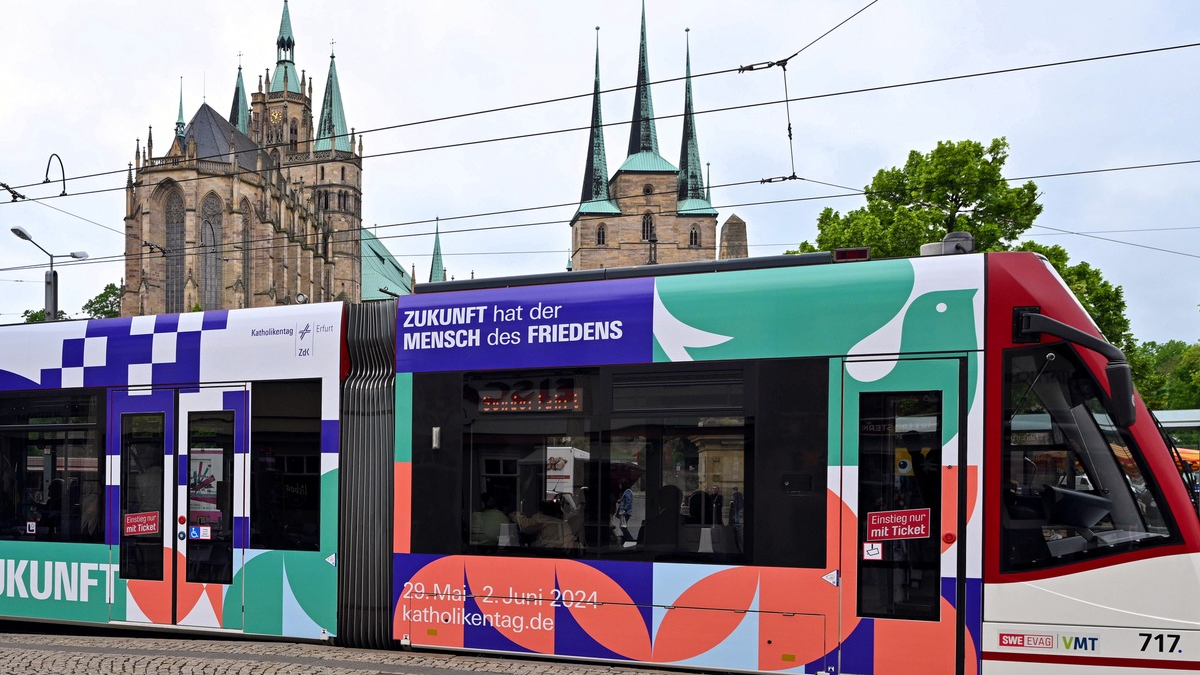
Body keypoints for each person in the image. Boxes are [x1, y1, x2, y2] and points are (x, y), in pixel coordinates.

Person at [512, 500, 580, 550]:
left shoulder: (541, 519)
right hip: (564, 555)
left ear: (543, 511)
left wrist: (513, 514)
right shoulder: (565, 524)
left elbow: (524, 525)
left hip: (545, 554)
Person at [616, 479, 635, 544]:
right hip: (623, 511)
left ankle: (629, 539)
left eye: (620, 484)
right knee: (622, 526)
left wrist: (625, 510)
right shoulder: (626, 492)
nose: (619, 486)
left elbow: (628, 502)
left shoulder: (628, 492)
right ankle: (627, 539)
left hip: (625, 512)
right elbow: (625, 500)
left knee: (623, 527)